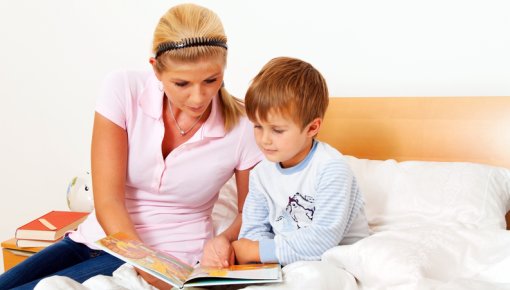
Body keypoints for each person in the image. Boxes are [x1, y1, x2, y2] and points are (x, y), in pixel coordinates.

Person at [0, 3, 262, 289]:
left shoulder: (245, 125)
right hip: (94, 238)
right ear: (156, 70)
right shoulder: (123, 89)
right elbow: (108, 201)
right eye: (182, 83)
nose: (198, 97)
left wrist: (222, 241)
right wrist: (146, 264)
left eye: (211, 80)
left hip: (173, 254)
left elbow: (249, 212)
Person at [232, 57, 370, 266]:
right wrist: (259, 253)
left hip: (336, 261)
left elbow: (323, 239)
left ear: (312, 128)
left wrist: (259, 250)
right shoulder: (261, 174)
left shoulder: (332, 168)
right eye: (257, 126)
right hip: (283, 261)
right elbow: (253, 232)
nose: (264, 139)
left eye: (277, 130)